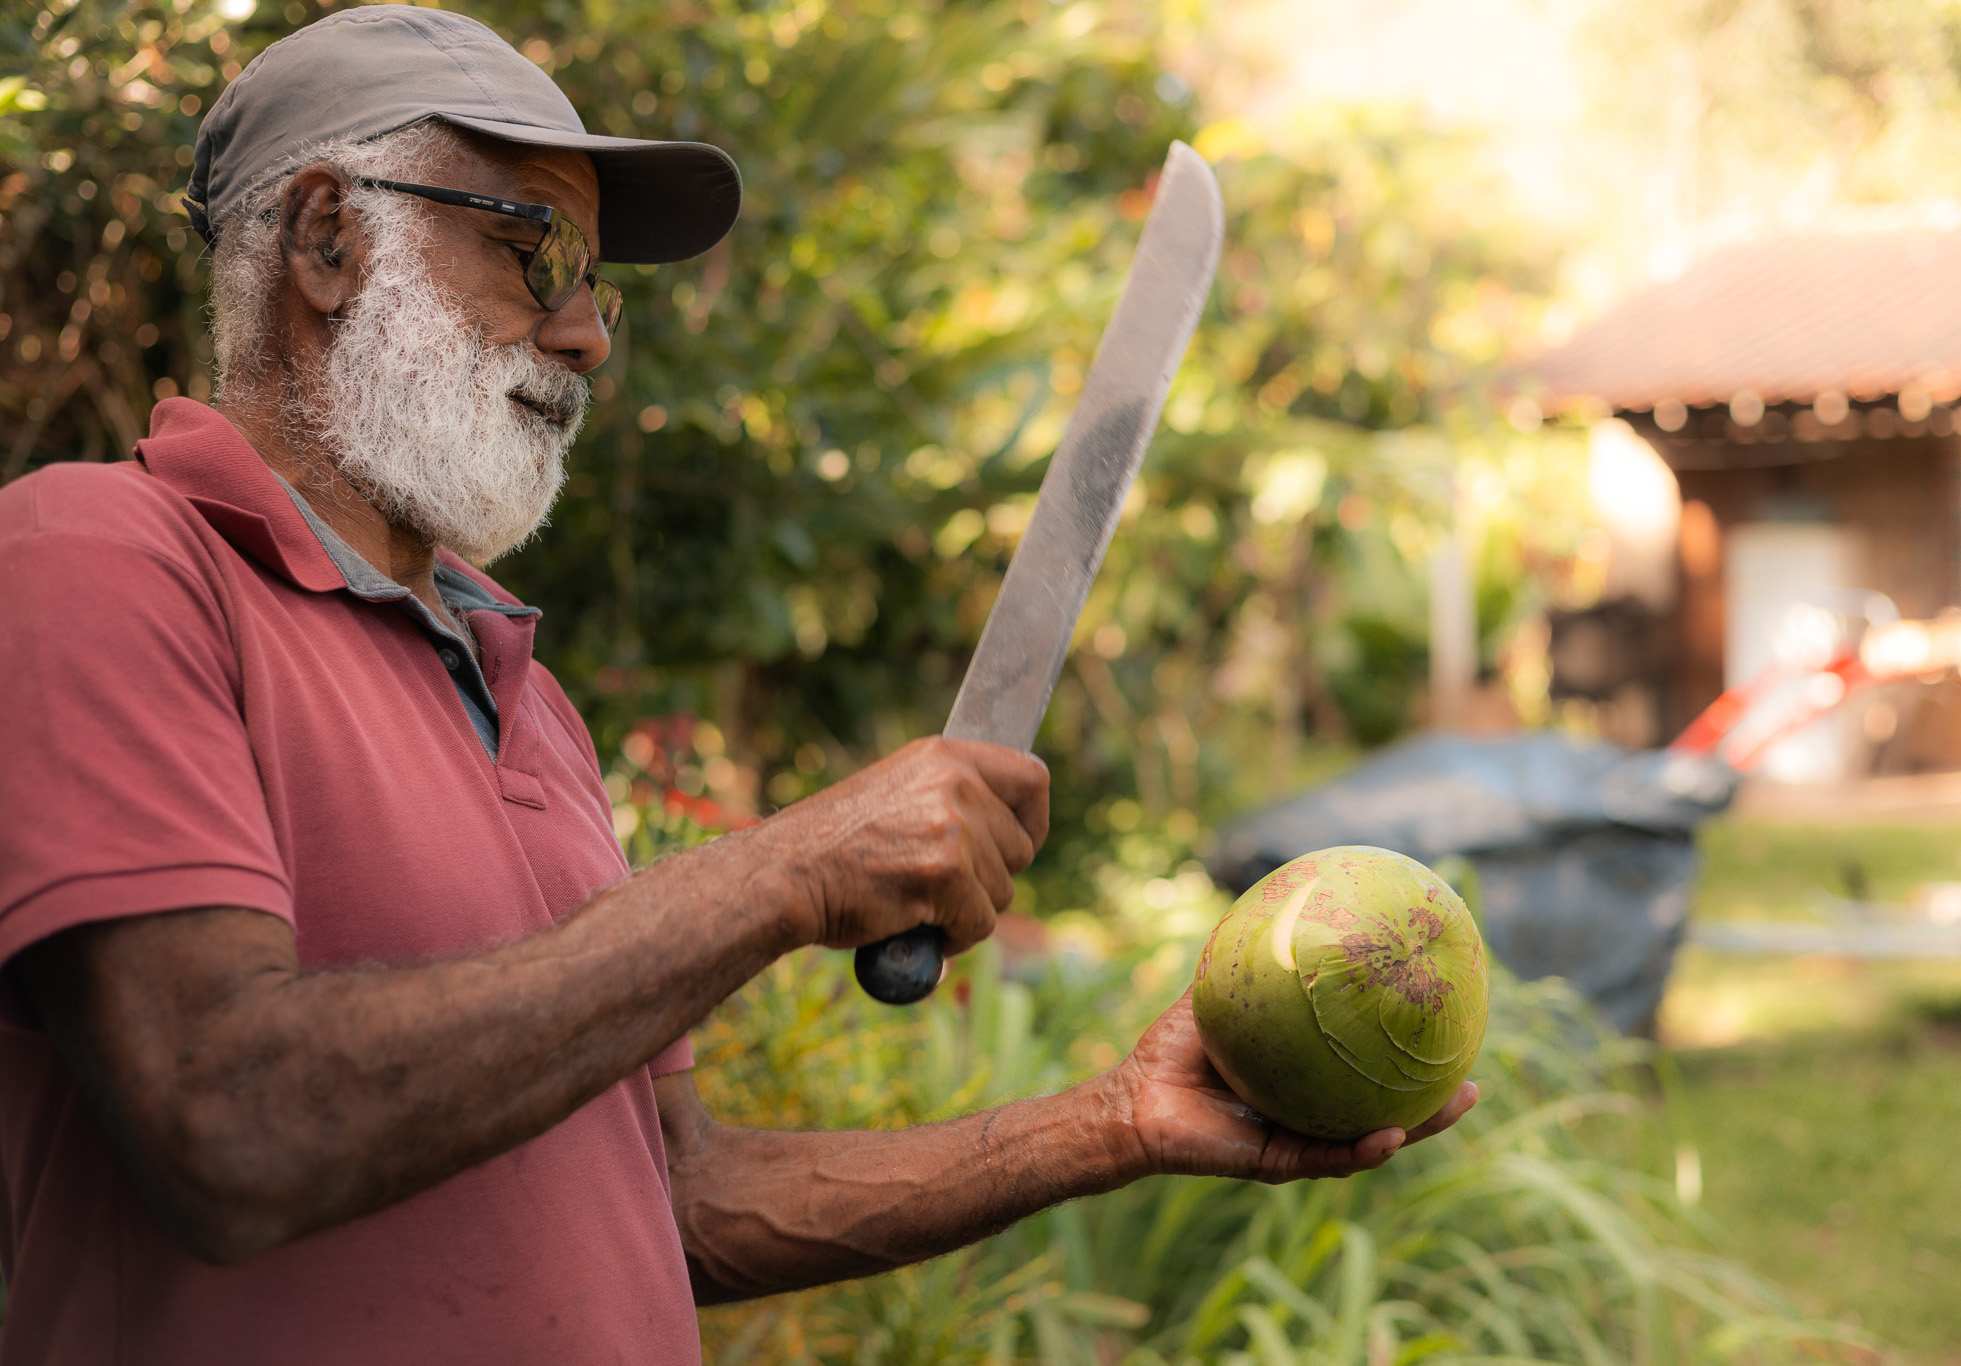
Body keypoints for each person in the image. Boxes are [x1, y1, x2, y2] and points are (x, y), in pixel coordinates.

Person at [0, 8, 1476, 1364]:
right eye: (538, 255)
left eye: (599, 292)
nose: (584, 332)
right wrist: (792, 869)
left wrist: (1114, 1123)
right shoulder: (100, 559)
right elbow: (228, 1117)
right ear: (327, 241)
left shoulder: (522, 689)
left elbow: (679, 1196)